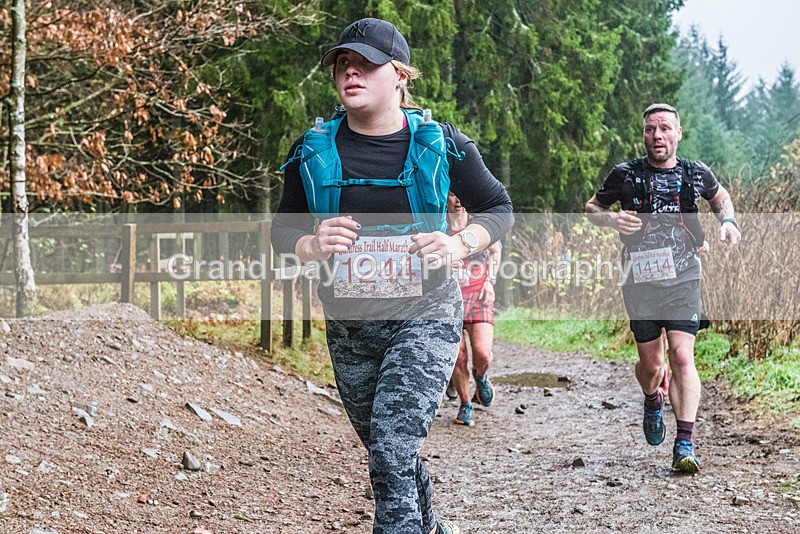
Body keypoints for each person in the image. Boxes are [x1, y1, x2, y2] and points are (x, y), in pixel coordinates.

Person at [271, 18, 513, 533]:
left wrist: (457, 244)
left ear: (400, 75)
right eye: (342, 63)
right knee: (390, 454)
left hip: (424, 315)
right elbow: (282, 229)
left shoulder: (443, 144)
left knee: (389, 447)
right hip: (350, 327)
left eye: (365, 62)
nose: (350, 71)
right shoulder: (311, 151)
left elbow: (499, 208)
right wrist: (311, 244)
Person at [585, 103, 740, 473]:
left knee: (683, 356)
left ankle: (684, 442)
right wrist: (611, 219)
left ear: (678, 133)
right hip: (640, 279)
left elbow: (720, 198)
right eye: (651, 129)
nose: (658, 136)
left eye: (665, 129)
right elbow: (591, 209)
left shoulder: (695, 173)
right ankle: (652, 397)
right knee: (652, 364)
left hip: (684, 277)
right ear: (643, 135)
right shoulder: (625, 174)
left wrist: (729, 222)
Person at [446, 192, 502, 427]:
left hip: (478, 295)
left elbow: (495, 251)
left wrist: (491, 280)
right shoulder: (439, 226)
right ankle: (465, 403)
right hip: (449, 299)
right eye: (452, 195)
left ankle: (481, 377)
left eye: (461, 194)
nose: (458, 199)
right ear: (445, 197)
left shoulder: (478, 224)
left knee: (482, 353)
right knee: (458, 357)